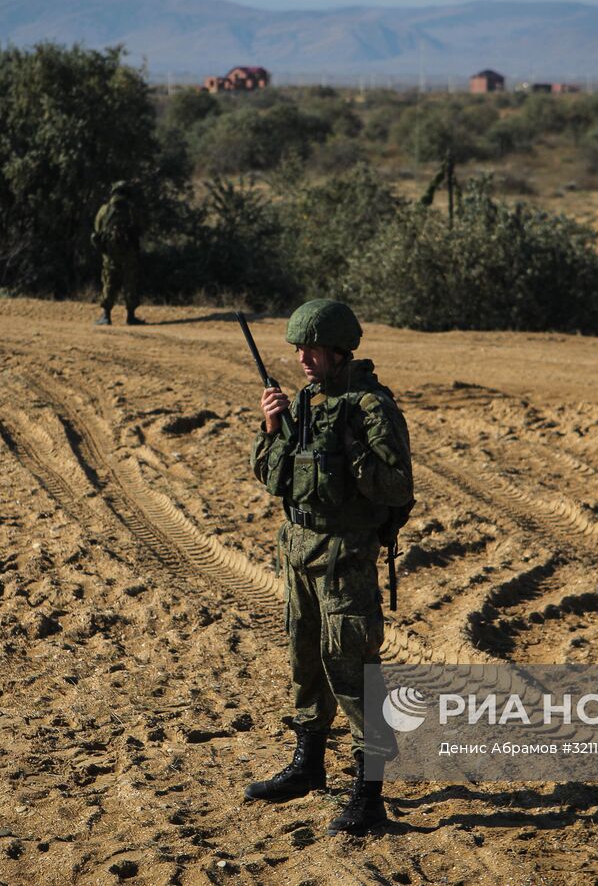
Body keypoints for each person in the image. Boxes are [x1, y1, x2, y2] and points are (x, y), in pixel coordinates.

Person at [245, 299, 413, 836]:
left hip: (346, 557)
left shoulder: (370, 408)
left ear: (340, 350)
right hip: (298, 551)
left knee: (352, 670)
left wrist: (352, 453)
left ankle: (369, 796)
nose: (302, 358)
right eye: (297, 349)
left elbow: (397, 488)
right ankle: (308, 765)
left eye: (311, 348)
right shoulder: (306, 403)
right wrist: (271, 427)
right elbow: (274, 480)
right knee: (305, 660)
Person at [90, 181, 142, 325]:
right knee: (130, 282)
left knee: (109, 282)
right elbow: (140, 229)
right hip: (129, 254)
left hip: (110, 254)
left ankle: (106, 316)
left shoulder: (104, 210)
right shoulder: (132, 210)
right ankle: (131, 316)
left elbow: (97, 230)